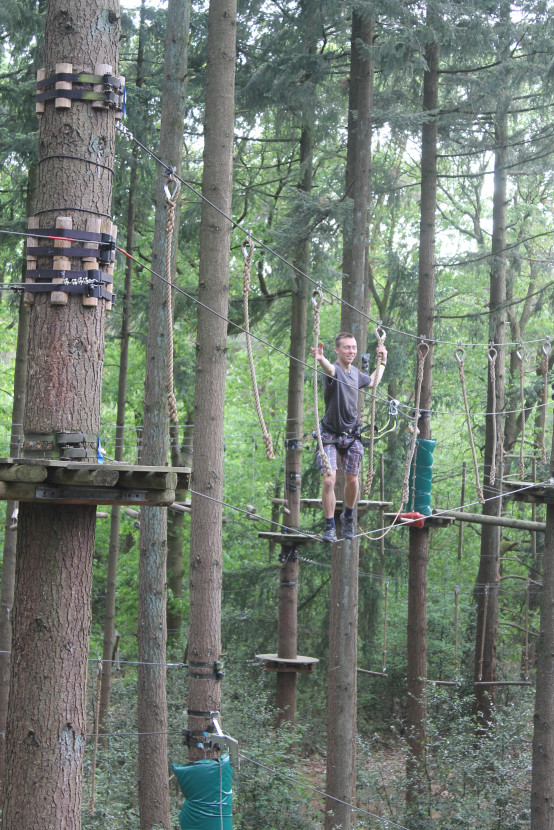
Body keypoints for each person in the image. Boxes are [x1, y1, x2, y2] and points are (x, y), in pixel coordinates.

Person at [311, 332, 387, 542]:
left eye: (353, 347)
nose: (351, 351)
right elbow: (330, 368)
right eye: (346, 347)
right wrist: (320, 359)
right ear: (337, 350)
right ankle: (329, 526)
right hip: (329, 434)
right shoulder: (333, 372)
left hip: (351, 435)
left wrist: (383, 362)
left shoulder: (355, 373)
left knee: (352, 480)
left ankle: (349, 515)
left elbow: (371, 382)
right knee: (329, 480)